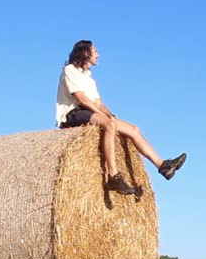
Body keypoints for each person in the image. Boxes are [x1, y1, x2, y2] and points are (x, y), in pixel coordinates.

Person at [56, 40, 187, 195]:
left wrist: (111, 115)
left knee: (133, 129)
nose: (98, 55)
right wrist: (107, 119)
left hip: (90, 112)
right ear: (85, 52)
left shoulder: (90, 79)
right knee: (110, 125)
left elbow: (99, 103)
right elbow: (81, 98)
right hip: (73, 114)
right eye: (95, 51)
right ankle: (113, 176)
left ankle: (162, 166)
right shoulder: (70, 70)